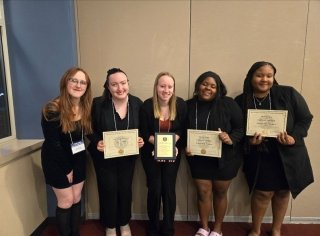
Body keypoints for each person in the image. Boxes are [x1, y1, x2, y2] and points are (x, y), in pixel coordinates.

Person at [235, 61, 314, 236]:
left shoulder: (288, 94)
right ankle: (255, 230)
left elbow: (305, 118)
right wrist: (249, 142)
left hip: (287, 154)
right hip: (260, 155)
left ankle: (276, 230)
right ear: (250, 77)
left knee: (283, 192)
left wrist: (294, 137)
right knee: (262, 193)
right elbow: (237, 130)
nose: (265, 79)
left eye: (269, 76)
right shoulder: (241, 100)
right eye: (259, 75)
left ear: (273, 78)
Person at [185, 71, 244, 236]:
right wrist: (185, 147)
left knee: (220, 192)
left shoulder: (229, 104)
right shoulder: (188, 105)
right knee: (203, 193)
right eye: (204, 84)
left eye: (213, 86)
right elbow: (181, 131)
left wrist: (229, 138)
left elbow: (241, 129)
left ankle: (217, 228)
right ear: (198, 85)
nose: (207, 88)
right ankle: (204, 227)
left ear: (218, 89)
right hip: (198, 158)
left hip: (225, 158)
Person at [87, 68, 144, 236]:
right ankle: (110, 225)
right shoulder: (98, 104)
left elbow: (144, 128)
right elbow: (89, 128)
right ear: (108, 86)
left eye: (123, 83)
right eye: (114, 84)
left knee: (125, 189)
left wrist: (140, 138)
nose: (120, 88)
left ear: (128, 83)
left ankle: (124, 223)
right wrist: (97, 141)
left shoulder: (137, 103)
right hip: (104, 157)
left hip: (128, 158)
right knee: (108, 189)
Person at [41, 67, 92, 236]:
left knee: (76, 198)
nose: (78, 85)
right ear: (65, 82)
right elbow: (54, 143)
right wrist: (67, 169)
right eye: (74, 80)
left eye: (82, 82)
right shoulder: (52, 108)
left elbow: (86, 135)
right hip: (56, 161)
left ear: (86, 87)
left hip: (78, 157)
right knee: (66, 200)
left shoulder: (85, 108)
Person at [139, 72, 187, 236]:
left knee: (168, 189)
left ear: (173, 88)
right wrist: (160, 144)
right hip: (150, 154)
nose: (166, 90)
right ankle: (152, 227)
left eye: (169, 86)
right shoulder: (147, 105)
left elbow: (182, 129)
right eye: (162, 86)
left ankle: (168, 228)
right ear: (156, 87)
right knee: (154, 189)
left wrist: (172, 143)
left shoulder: (180, 104)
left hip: (172, 152)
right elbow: (144, 132)